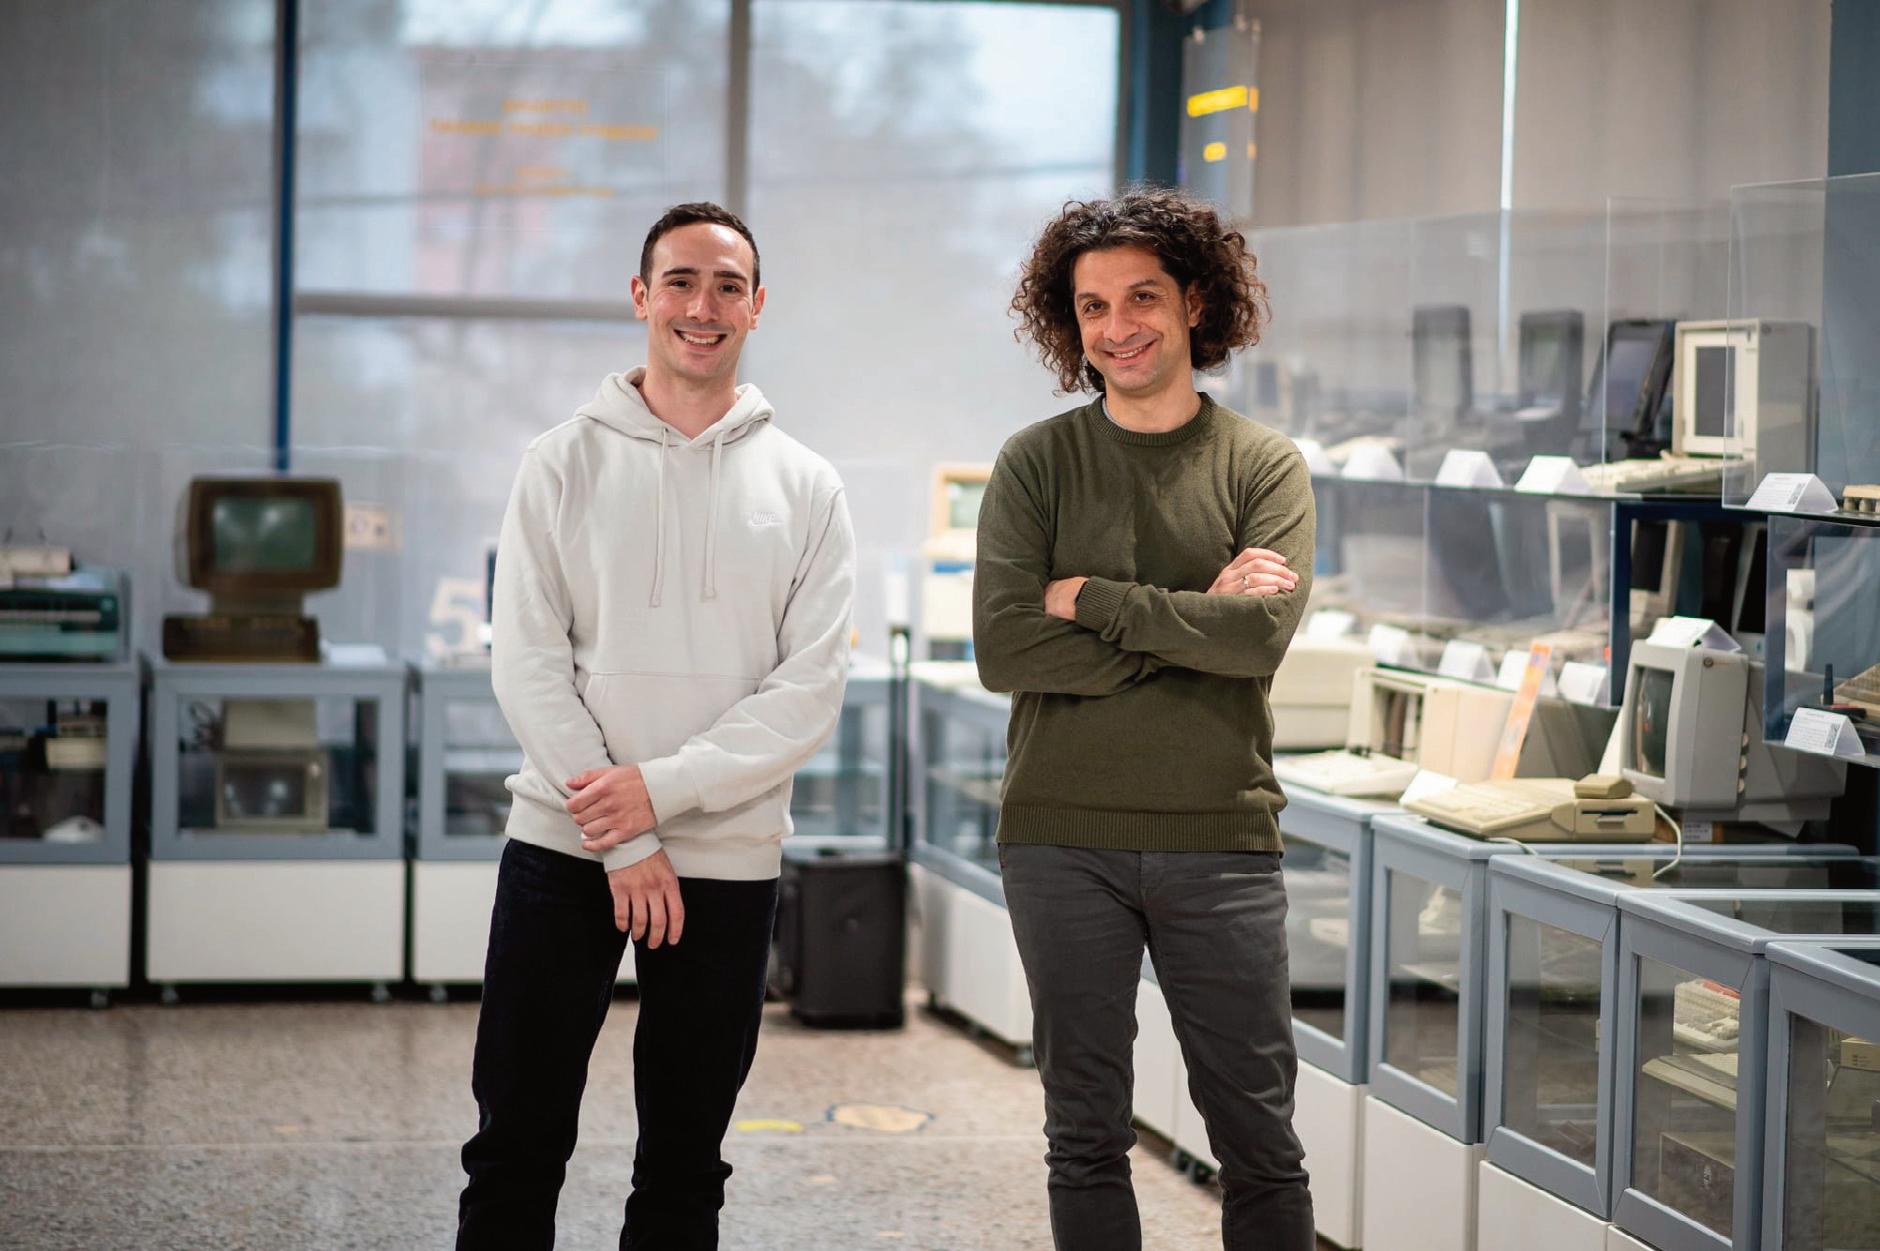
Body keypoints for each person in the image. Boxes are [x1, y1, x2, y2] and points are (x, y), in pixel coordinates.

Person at [458, 202, 856, 1251]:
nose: (702, 306)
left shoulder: (807, 486)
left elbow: (809, 689)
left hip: (726, 856)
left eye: (728, 286)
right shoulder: (559, 462)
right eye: (680, 281)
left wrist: (661, 794)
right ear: (641, 296)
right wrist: (624, 831)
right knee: (513, 1146)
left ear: (758, 307)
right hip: (566, 846)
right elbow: (527, 662)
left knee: (685, 1163)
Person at [972, 187, 1316, 1251]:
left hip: (1220, 835)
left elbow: (1257, 640)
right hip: (1060, 838)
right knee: (1083, 1134)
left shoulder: (1261, 465)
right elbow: (1005, 649)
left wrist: (1095, 600)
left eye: (1141, 298)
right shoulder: (1036, 462)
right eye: (1092, 306)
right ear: (1067, 321)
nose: (1117, 326)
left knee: (1258, 1139)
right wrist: (1194, 618)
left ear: (1194, 303)